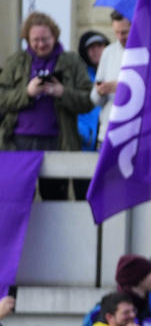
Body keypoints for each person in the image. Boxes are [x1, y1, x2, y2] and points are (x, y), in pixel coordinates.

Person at [0, 11, 93, 199]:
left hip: (58, 141)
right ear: (27, 38)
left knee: (55, 198)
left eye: (45, 39)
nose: (41, 44)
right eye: (35, 40)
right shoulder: (15, 61)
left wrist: (62, 93)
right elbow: (2, 97)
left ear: (55, 36)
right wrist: (26, 93)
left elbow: (89, 100)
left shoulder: (72, 62)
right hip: (18, 142)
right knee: (17, 199)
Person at [89, 10, 129, 146]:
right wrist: (101, 91)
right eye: (116, 32)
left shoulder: (148, 52)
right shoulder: (108, 52)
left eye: (124, 32)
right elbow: (94, 99)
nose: (120, 37)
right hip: (108, 132)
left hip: (134, 133)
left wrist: (121, 87)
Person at [75, 30, 108, 151]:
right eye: (91, 47)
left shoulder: (116, 73)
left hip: (106, 140)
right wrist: (84, 132)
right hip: (84, 143)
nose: (96, 50)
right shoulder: (79, 76)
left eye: (99, 46)